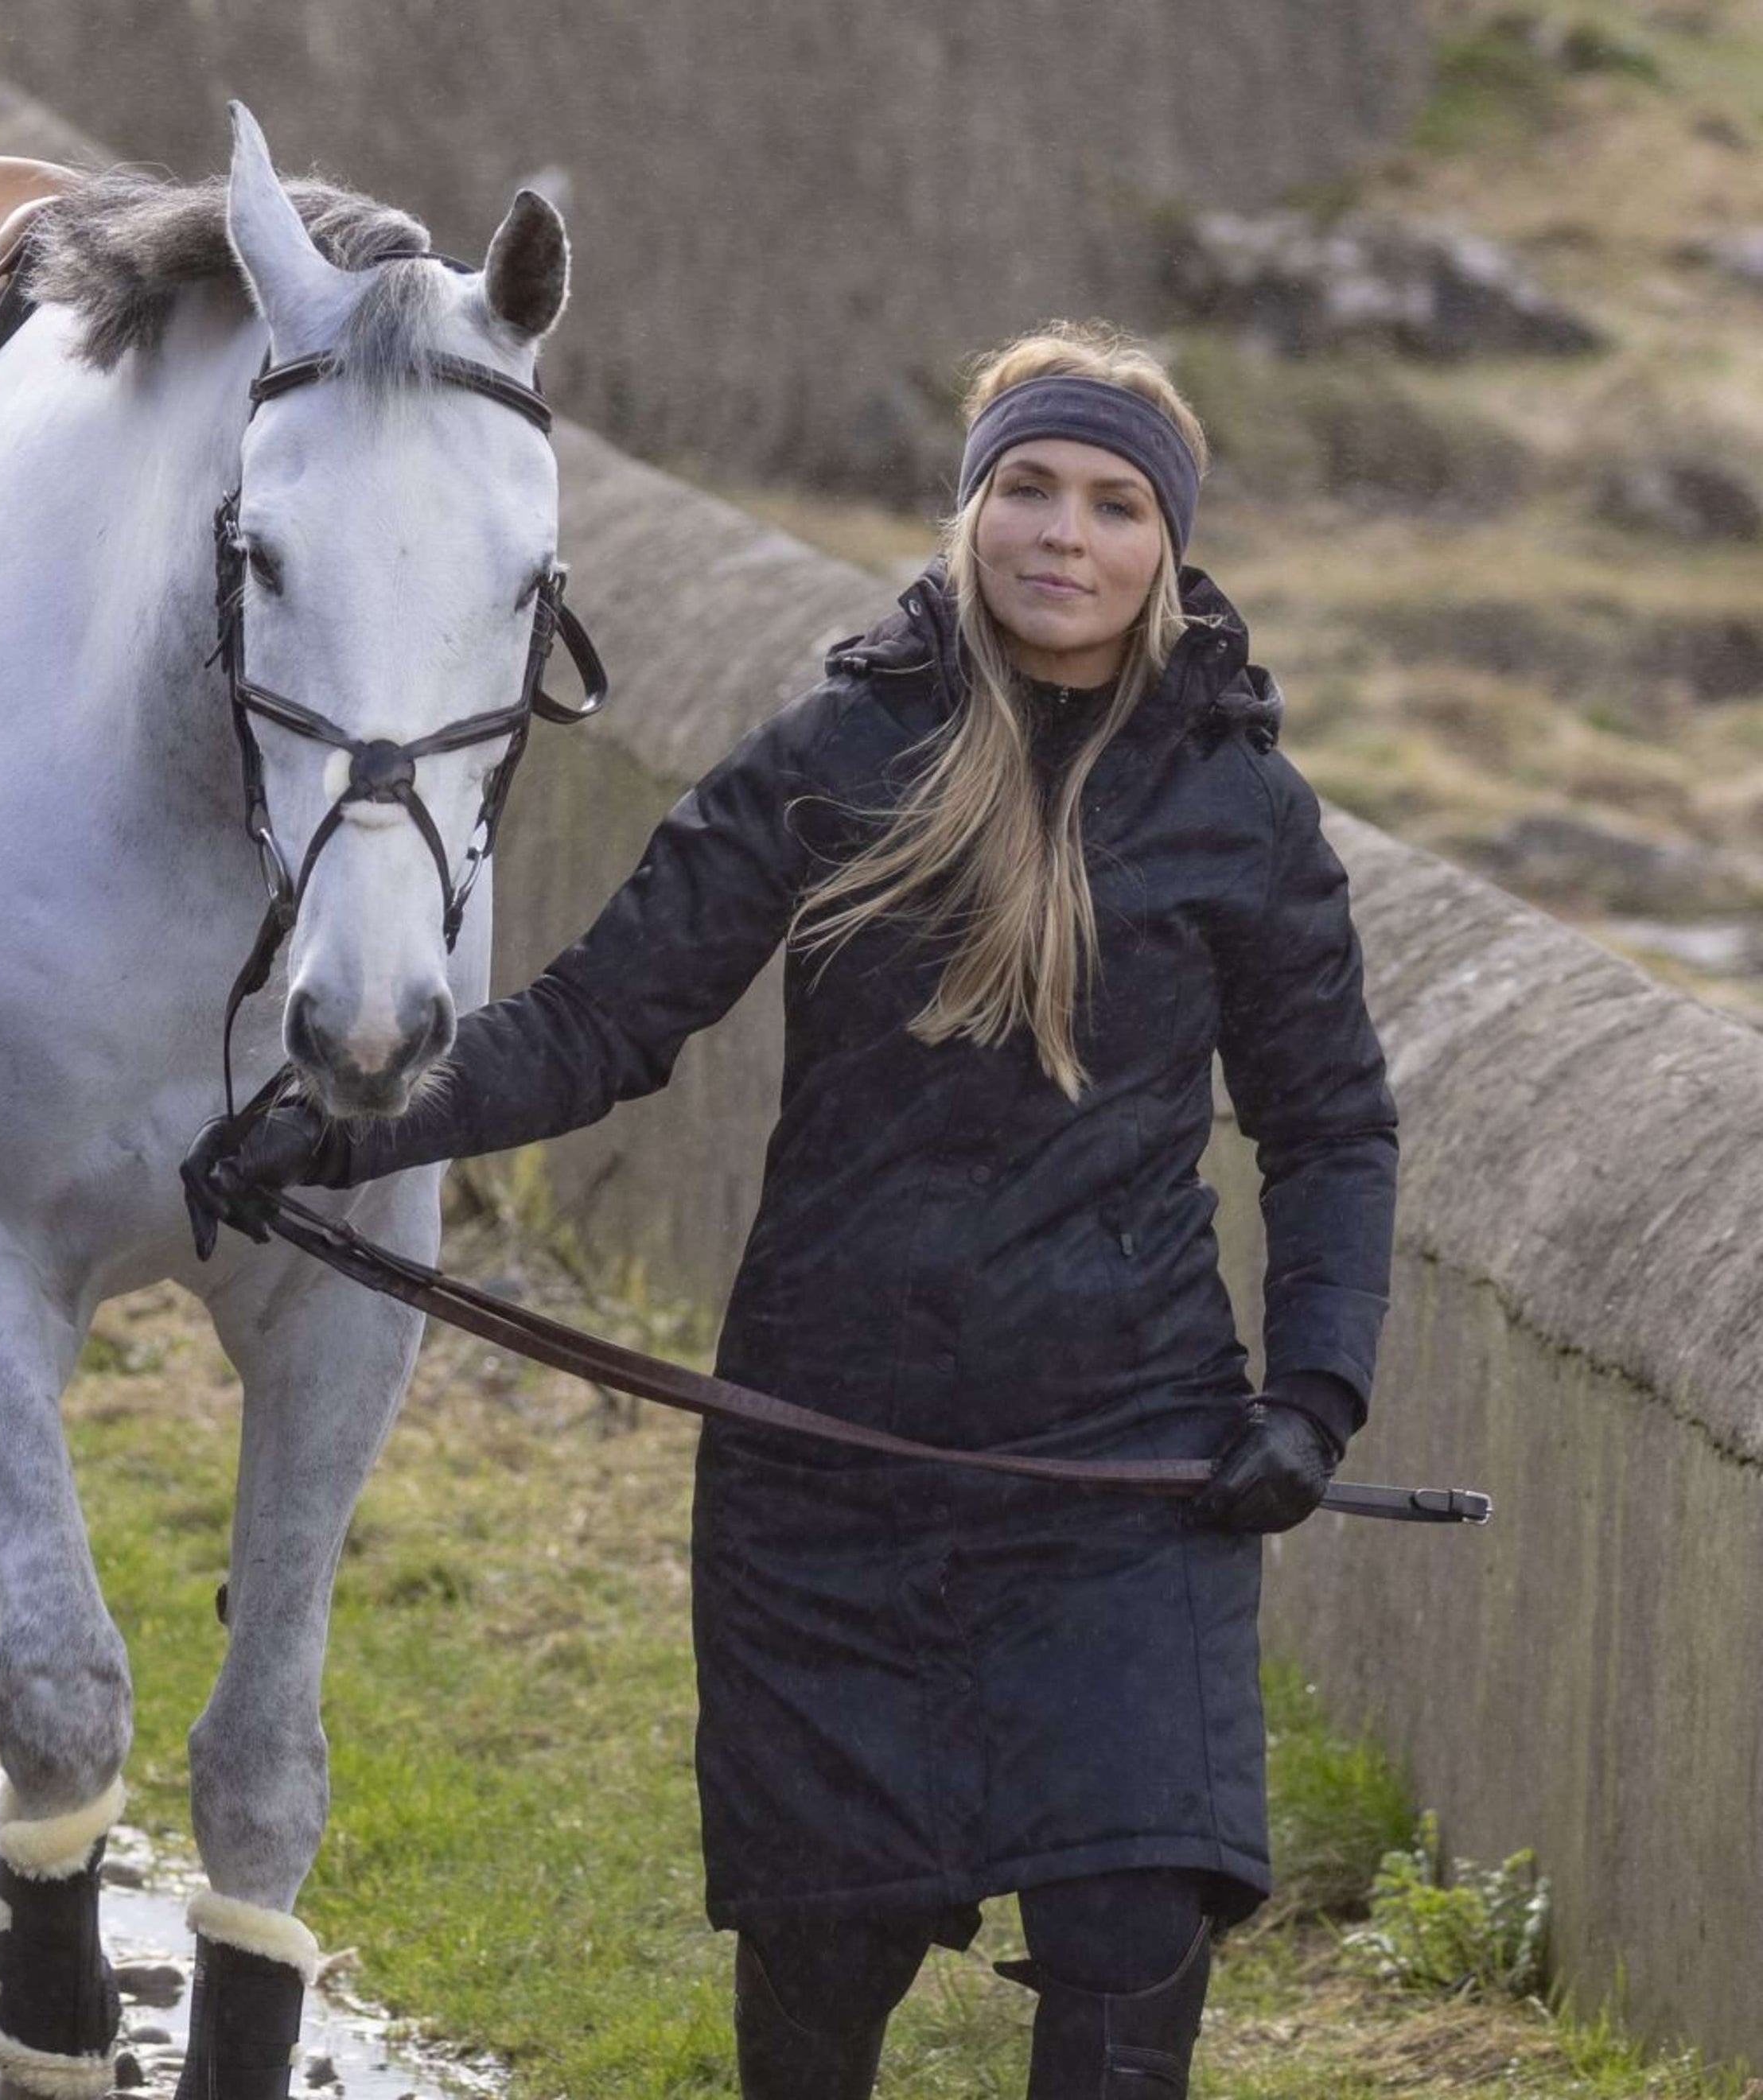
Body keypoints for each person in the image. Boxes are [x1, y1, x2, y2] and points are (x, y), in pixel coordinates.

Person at [185, 320, 1398, 2099]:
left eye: (1116, 505)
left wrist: (1314, 1397)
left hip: (1126, 1477)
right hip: (823, 1466)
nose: (1066, 535)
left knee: (1133, 1963)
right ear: (971, 512)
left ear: (1170, 550)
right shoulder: (837, 751)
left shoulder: (1246, 810)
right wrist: (335, 1127)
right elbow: (603, 1021)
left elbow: (1333, 1127)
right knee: (819, 1987)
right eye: (1030, 490)